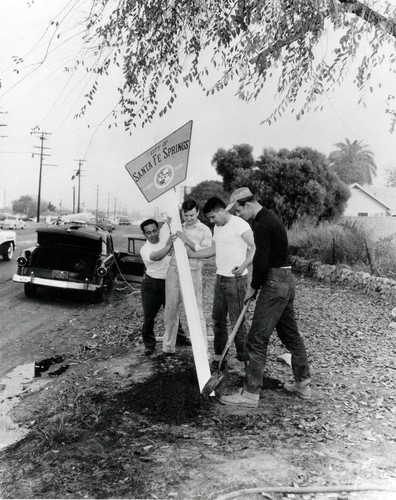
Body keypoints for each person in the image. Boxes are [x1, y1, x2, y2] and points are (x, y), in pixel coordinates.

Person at [219, 187, 311, 408]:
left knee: (256, 338)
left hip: (274, 282)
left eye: (239, 211)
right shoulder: (271, 218)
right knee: (290, 334)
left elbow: (261, 261)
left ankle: (250, 394)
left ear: (247, 204)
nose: (238, 215)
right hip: (286, 280)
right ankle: (303, 385)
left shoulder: (262, 224)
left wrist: (253, 287)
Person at [188, 197, 255, 370]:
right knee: (218, 319)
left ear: (221, 211)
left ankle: (245, 362)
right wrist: (190, 254)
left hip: (236, 280)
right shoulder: (217, 227)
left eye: (212, 217)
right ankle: (219, 357)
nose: (211, 221)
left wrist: (243, 266)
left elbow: (256, 248)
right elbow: (212, 250)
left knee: (237, 321)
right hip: (220, 278)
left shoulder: (240, 224)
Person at [162, 199, 213, 355]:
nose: (189, 218)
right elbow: (168, 250)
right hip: (174, 270)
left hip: (192, 271)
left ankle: (202, 350)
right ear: (182, 213)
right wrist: (169, 238)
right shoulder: (178, 226)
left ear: (197, 212)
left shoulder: (204, 230)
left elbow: (207, 252)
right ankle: (168, 347)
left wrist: (187, 240)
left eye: (191, 215)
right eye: (186, 215)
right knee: (170, 310)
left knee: (196, 310)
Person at [139, 219, 188, 356]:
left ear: (158, 229)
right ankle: (149, 344)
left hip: (170, 282)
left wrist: (170, 218)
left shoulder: (164, 232)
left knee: (173, 312)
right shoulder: (145, 249)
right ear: (144, 235)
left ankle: (180, 338)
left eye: (155, 231)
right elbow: (156, 257)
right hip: (152, 284)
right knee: (149, 316)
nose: (153, 235)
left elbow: (170, 220)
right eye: (148, 233)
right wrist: (169, 246)